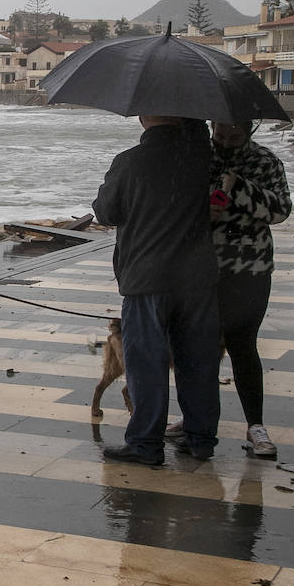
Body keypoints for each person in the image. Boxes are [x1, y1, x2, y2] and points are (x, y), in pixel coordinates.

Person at [92, 116, 220, 466]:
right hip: (197, 278)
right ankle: (201, 438)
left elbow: (105, 213)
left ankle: (146, 443)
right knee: (197, 361)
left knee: (147, 363)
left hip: (148, 278)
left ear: (143, 116)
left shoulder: (131, 161)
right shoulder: (200, 158)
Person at [186, 119, 291, 458]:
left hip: (251, 268)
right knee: (199, 347)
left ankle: (256, 426)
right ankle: (196, 421)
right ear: (212, 127)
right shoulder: (198, 158)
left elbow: (280, 210)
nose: (226, 142)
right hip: (204, 268)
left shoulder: (266, 162)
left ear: (249, 131)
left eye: (235, 136)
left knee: (243, 345)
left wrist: (241, 188)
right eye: (220, 134)